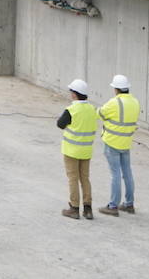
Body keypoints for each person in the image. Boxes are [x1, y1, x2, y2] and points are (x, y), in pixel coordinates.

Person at [98, 74, 140, 216]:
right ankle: (129, 204)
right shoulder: (135, 102)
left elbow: (101, 114)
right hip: (126, 142)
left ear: (116, 89)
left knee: (115, 174)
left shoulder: (114, 103)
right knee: (127, 173)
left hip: (112, 142)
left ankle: (113, 206)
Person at [58, 78, 99, 219]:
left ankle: (74, 208)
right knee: (85, 179)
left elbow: (60, 124)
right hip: (86, 151)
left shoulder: (71, 109)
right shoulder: (92, 109)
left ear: (75, 94)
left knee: (73, 179)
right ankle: (88, 209)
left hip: (71, 151)